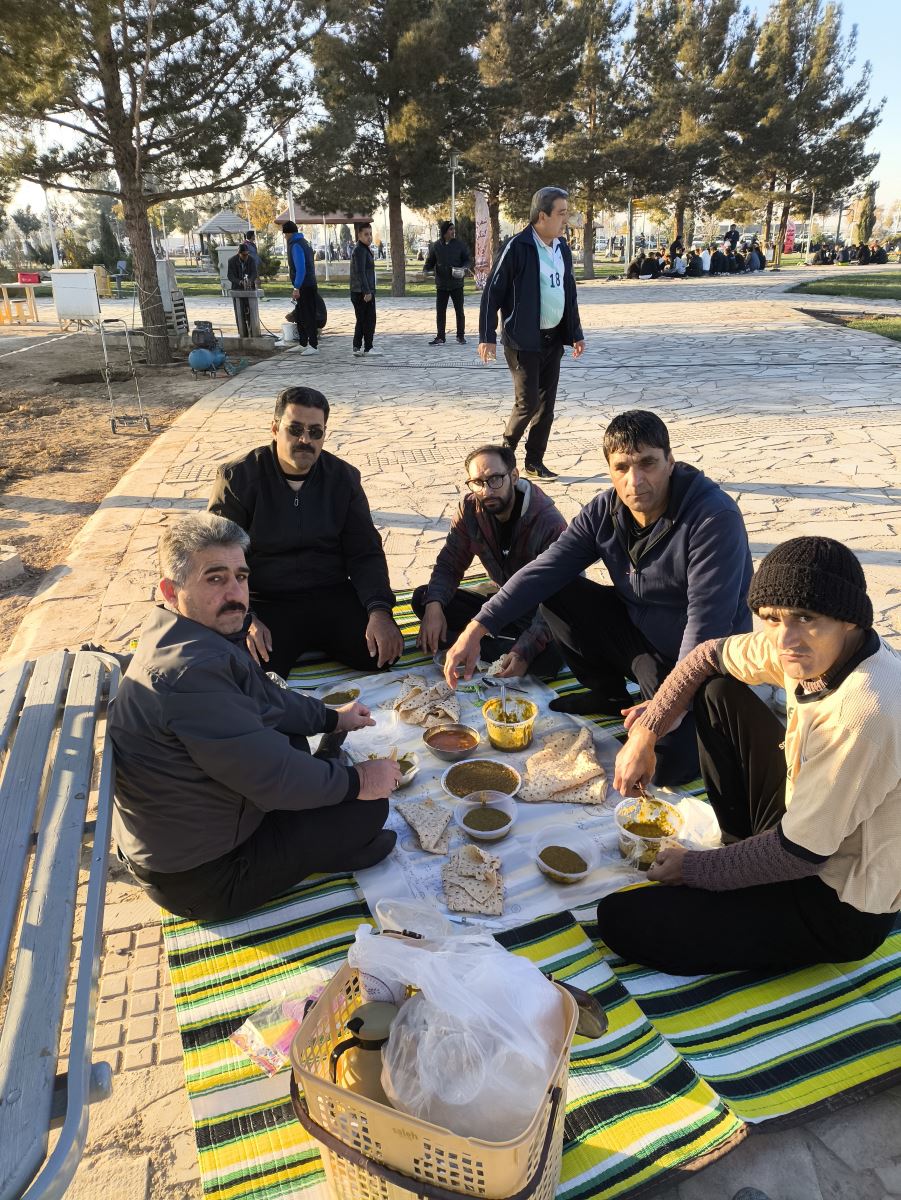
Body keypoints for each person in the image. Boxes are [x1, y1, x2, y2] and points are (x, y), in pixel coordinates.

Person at [601, 537, 901, 975]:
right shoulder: (812, 649)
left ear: (850, 620)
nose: (786, 639)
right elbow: (705, 657)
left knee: (620, 919)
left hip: (837, 898)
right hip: (802, 827)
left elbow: (799, 855)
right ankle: (740, 848)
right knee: (717, 690)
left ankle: (742, 873)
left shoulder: (861, 713)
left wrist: (694, 868)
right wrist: (645, 734)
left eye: (806, 618)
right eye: (772, 618)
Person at [109, 513, 402, 922]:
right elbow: (275, 777)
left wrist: (332, 718)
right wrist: (361, 781)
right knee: (367, 808)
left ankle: (320, 832)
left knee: (300, 744)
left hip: (203, 828)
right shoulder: (191, 673)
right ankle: (324, 852)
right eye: (215, 579)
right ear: (171, 590)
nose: (235, 593)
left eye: (241, 577)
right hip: (204, 879)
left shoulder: (190, 635)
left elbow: (267, 700)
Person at [443, 410, 752, 787]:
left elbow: (707, 626)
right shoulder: (605, 511)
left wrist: (659, 715)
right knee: (557, 588)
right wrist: (476, 629)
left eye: (648, 463)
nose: (635, 481)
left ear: (670, 462)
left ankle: (669, 709)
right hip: (642, 640)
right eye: (622, 467)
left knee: (664, 767)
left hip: (704, 659)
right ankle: (609, 695)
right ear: (609, 470)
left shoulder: (712, 518)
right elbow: (545, 569)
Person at [208, 385, 404, 679]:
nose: (305, 440)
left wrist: (379, 611)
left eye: (315, 432)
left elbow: (365, 551)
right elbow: (218, 557)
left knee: (381, 654)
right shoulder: (238, 478)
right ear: (275, 429)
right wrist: (245, 618)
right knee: (252, 671)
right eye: (295, 429)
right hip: (266, 600)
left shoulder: (343, 478)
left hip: (330, 592)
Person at [412, 444, 567, 678]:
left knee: (548, 658)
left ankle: (485, 646)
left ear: (513, 476)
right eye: (477, 482)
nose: (486, 491)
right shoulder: (470, 509)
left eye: (495, 479)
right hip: (502, 606)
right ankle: (483, 644)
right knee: (424, 599)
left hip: (541, 613)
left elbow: (560, 599)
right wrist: (434, 606)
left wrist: (525, 650)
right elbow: (450, 564)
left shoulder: (548, 523)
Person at [478, 187, 585, 481]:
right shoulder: (517, 247)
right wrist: (487, 335)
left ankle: (534, 461)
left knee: (546, 406)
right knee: (528, 403)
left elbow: (568, 293)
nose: (565, 220)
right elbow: (492, 292)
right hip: (522, 340)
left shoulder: (562, 249)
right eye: (561, 213)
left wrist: (575, 332)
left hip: (553, 339)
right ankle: (505, 454)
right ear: (542, 216)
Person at [424, 220, 470, 345]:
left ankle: (460, 336)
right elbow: (430, 261)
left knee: (459, 311)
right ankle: (440, 337)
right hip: (442, 285)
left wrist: (464, 268)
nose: (453, 231)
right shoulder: (436, 246)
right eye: (451, 229)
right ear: (444, 231)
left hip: (457, 284)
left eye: (453, 229)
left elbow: (467, 260)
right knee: (440, 312)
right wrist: (426, 269)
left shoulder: (460, 245)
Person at [282, 220, 319, 356]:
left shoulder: (296, 245)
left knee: (308, 316)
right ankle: (303, 343)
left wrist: (296, 287)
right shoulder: (303, 242)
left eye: (285, 234)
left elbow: (301, 268)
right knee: (300, 315)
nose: (285, 237)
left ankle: (313, 345)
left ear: (288, 233)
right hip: (307, 283)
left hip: (305, 285)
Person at [350, 222, 379, 358]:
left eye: (370, 234)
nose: (369, 237)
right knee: (368, 321)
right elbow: (360, 272)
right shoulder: (360, 250)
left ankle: (357, 347)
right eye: (366, 234)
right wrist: (367, 292)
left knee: (362, 320)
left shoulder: (363, 249)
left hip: (362, 290)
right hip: (362, 292)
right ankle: (368, 347)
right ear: (359, 235)